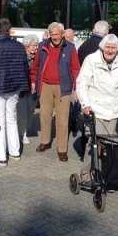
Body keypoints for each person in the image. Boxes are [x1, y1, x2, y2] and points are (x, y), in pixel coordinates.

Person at [77, 34, 118, 180]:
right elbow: (82, 83)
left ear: (117, 49)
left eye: (113, 48)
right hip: (95, 109)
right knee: (94, 143)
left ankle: (106, 173)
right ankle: (86, 172)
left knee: (108, 145)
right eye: (108, 48)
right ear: (102, 48)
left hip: (113, 109)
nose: (110, 51)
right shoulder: (91, 60)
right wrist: (85, 104)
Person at [0, 18, 30, 166]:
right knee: (12, 120)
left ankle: (1, 157)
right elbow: (24, 68)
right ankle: (15, 152)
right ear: (10, 30)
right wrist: (24, 87)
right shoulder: (19, 46)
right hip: (14, 88)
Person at [31, 21, 80, 162]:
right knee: (44, 116)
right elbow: (36, 66)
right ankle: (45, 141)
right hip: (45, 85)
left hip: (63, 87)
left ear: (63, 34)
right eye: (52, 34)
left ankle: (62, 149)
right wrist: (34, 81)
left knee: (62, 119)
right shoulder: (42, 46)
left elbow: (76, 69)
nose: (55, 37)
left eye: (57, 34)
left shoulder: (70, 48)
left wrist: (77, 88)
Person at [17, 34, 39, 145]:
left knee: (30, 110)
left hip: (33, 88)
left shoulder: (38, 57)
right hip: (22, 88)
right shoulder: (20, 56)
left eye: (36, 45)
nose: (35, 47)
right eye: (33, 45)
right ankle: (22, 133)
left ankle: (23, 129)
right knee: (21, 111)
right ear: (27, 45)